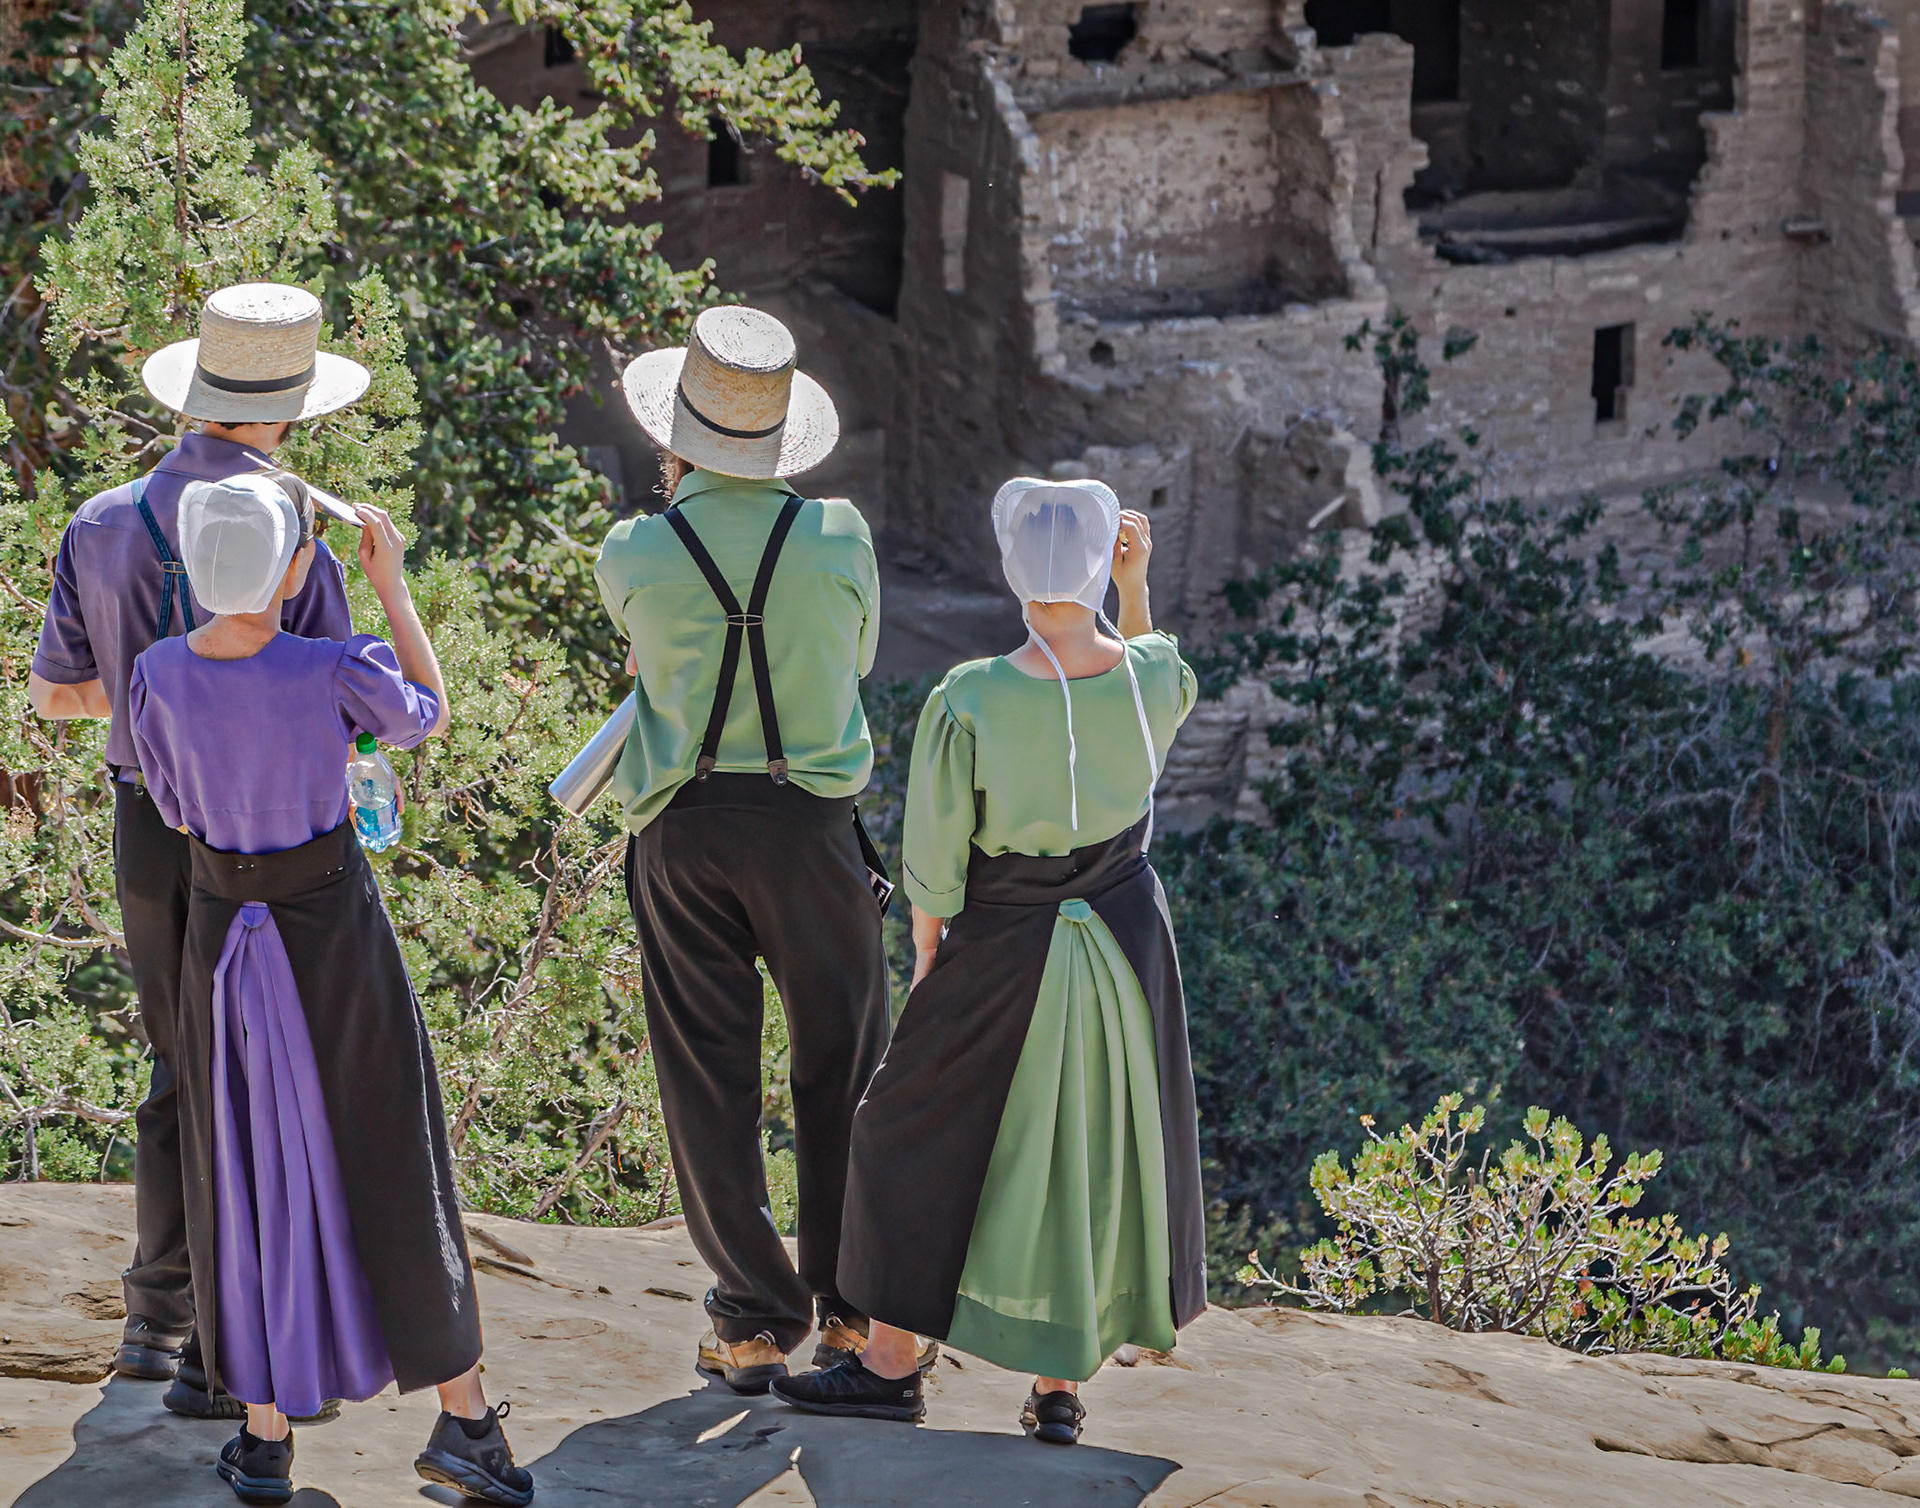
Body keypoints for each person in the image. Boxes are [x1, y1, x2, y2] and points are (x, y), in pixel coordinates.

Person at [773, 479, 1209, 1442]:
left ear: (1012, 571)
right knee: (1084, 1153)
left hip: (1003, 937)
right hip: (1129, 945)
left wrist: (929, 958)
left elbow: (935, 863)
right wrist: (1134, 589)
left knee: (896, 1130)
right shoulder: (1154, 680)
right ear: (1102, 564)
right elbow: (1154, 657)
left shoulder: (969, 697)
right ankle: (1059, 1389)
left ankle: (890, 1363)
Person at [127, 473, 532, 1506]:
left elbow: (172, 805)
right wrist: (392, 589)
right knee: (395, 1152)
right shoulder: (335, 664)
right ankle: (466, 1421)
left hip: (223, 939)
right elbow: (425, 714)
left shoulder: (156, 675)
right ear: (297, 566)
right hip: (333, 933)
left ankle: (264, 1439)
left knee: (244, 1168)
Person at [27, 283, 368, 1412]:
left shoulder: (102, 518)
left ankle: (153, 1316)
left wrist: (149, 694)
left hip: (147, 822)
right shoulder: (293, 526)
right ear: (285, 410)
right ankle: (239, 1349)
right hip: (270, 833)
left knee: (179, 1064)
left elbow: (56, 696)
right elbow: (329, 690)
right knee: (264, 1073)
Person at [595, 304, 904, 1394]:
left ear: (675, 435)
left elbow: (642, 657)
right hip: (812, 828)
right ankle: (856, 1312)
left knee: (707, 1079)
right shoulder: (840, 535)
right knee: (848, 1068)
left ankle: (752, 1313)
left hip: (683, 832)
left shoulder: (635, 545)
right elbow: (856, 656)